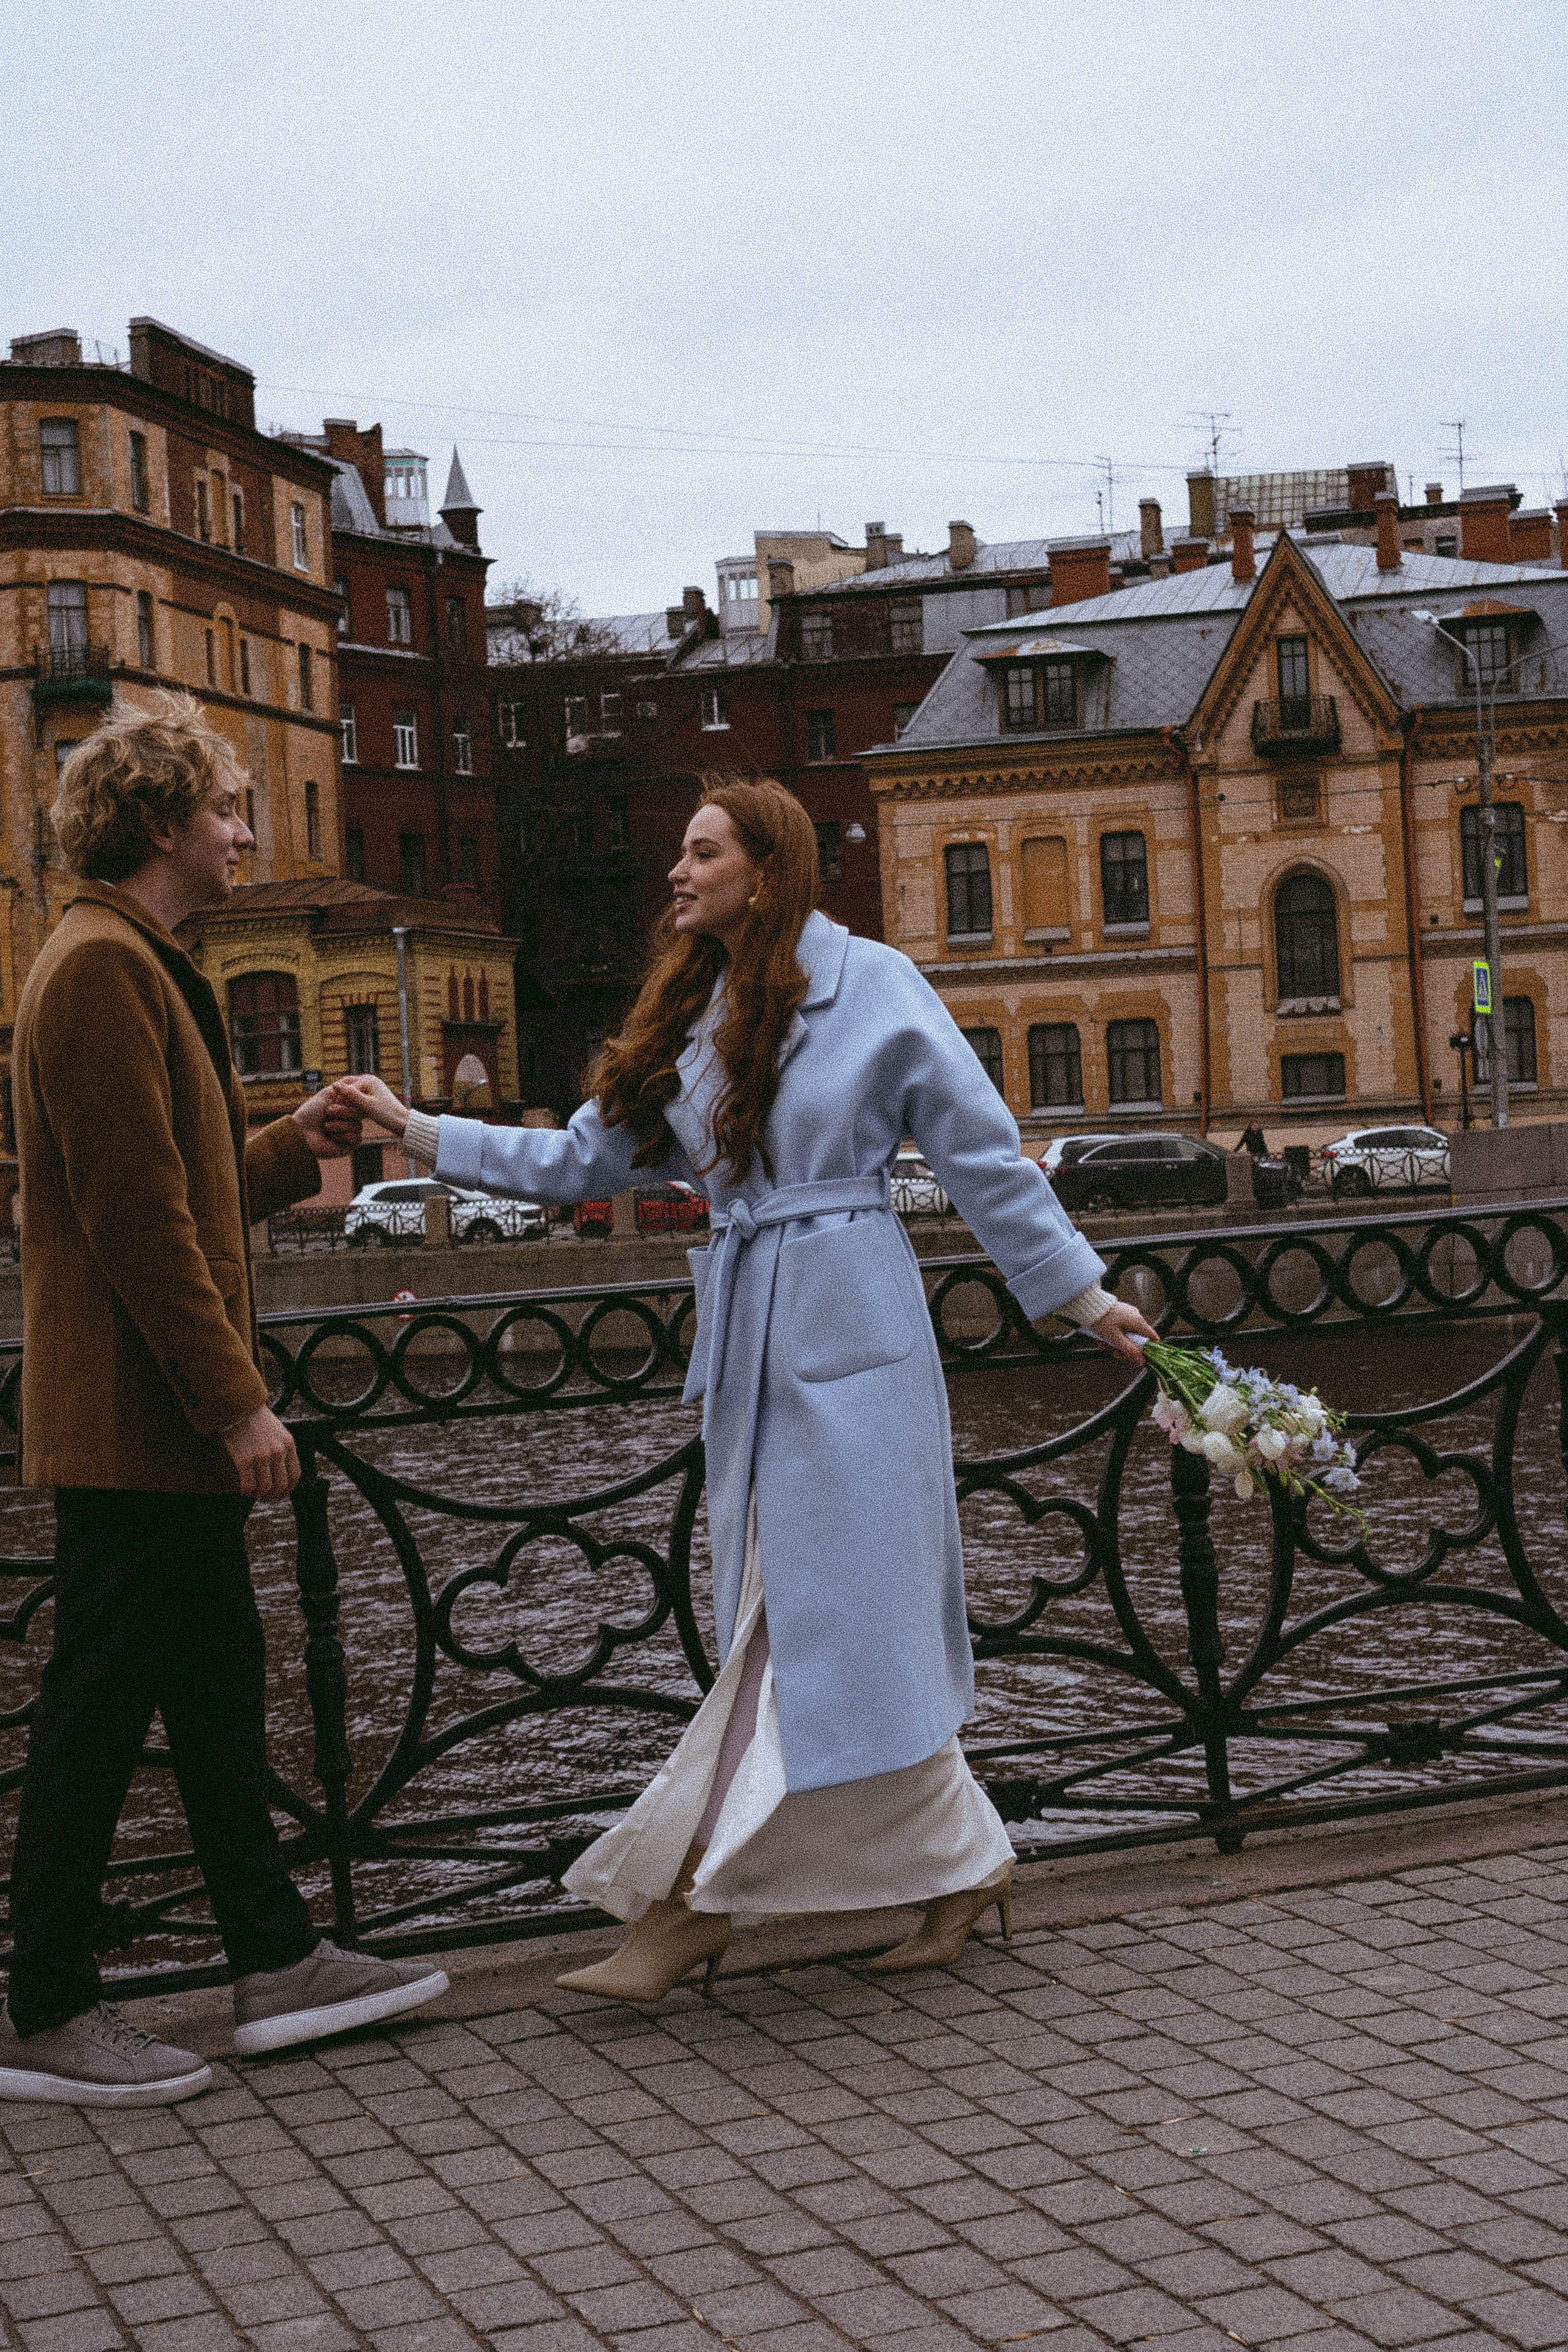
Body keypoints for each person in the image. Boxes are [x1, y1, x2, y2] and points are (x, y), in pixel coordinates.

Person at [334, 778, 1155, 2002]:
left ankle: (692, 1907)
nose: (676, 871)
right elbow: (578, 1160)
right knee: (805, 1622)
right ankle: (958, 1866)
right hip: (753, 1335)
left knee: (810, 1623)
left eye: (701, 850)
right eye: (679, 850)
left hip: (855, 1329)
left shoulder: (872, 984)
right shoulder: (691, 1008)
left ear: (765, 870)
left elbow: (981, 1153)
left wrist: (1082, 1297)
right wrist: (419, 1131)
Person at [1, 695, 449, 2107]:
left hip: (159, 1427)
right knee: (97, 1704)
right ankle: (45, 2006)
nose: (249, 834)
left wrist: (284, 1144)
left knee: (212, 1687)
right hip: (143, 1426)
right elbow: (133, 1226)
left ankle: (274, 1963)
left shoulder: (130, 960)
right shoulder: (94, 973)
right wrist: (237, 1403)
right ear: (155, 825)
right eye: (226, 813)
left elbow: (176, 1184)